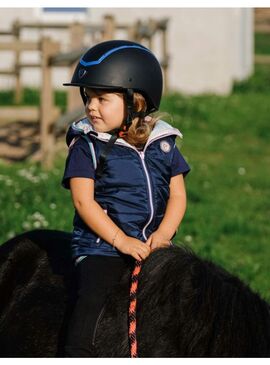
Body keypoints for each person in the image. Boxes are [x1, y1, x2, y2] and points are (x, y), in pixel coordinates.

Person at [62, 39, 190, 357]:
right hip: (102, 247)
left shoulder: (164, 144)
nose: (91, 107)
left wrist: (163, 235)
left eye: (102, 99)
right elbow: (83, 202)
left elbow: (177, 196)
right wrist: (120, 241)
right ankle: (76, 353)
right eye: (88, 98)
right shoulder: (86, 145)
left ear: (137, 102)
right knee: (93, 297)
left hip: (152, 245)